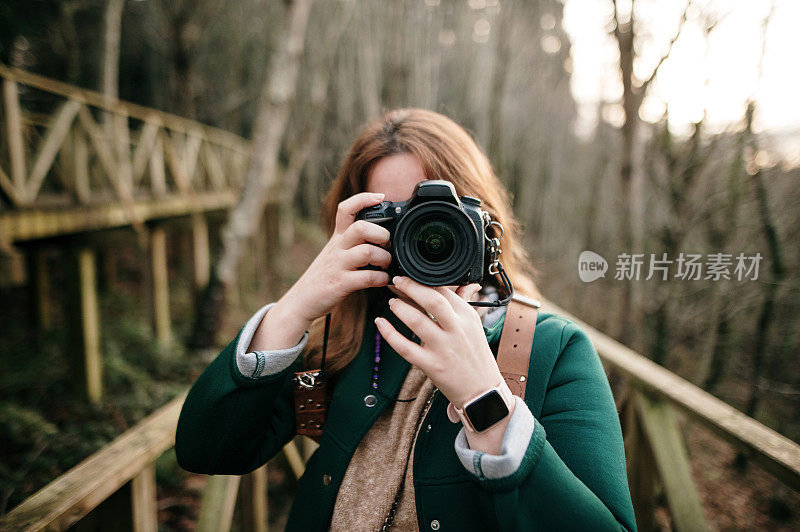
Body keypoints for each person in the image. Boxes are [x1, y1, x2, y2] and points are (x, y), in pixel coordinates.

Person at [176, 108, 637, 531]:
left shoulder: (551, 350)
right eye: (398, 219)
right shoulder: (348, 337)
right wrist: (295, 306)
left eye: (442, 216)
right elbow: (205, 449)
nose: (426, 237)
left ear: (486, 227)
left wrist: (487, 403)